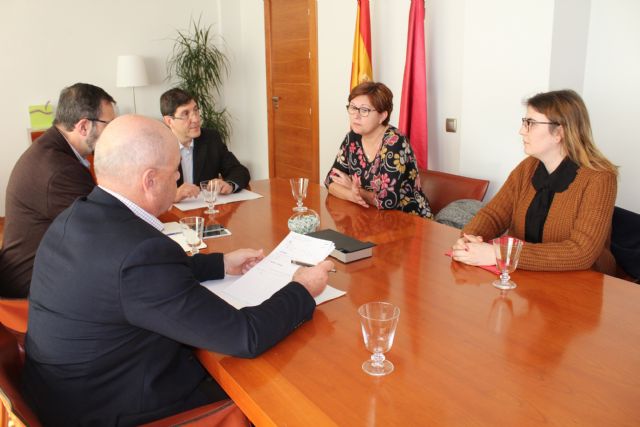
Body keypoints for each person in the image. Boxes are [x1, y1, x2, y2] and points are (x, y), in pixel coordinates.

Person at [22, 115, 334, 426]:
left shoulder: (76, 216)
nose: (178, 180)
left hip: (62, 394)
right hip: (116, 409)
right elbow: (244, 336)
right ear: (150, 180)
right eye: (174, 173)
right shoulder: (139, 254)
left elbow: (128, 278)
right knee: (270, 392)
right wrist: (302, 289)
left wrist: (220, 263)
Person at [452, 89, 618, 273]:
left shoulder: (600, 178)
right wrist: (470, 238)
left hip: (581, 282)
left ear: (559, 132)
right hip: (526, 276)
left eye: (530, 123)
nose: (521, 131)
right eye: (524, 122)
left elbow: (581, 252)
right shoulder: (528, 167)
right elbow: (494, 215)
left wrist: (499, 253)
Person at [0, 83, 116, 298]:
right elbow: (102, 230)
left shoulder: (52, 149)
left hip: (41, 270)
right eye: (109, 125)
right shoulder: (60, 170)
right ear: (83, 126)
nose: (113, 133)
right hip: (32, 289)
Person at [324, 81, 432, 218]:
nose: (356, 116)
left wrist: (355, 189)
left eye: (364, 110)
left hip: (407, 218)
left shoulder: (395, 142)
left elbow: (388, 201)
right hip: (369, 214)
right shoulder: (352, 137)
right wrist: (352, 195)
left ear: (382, 116)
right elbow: (330, 180)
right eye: (353, 108)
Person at [160, 88, 250, 202]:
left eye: (196, 110)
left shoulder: (211, 138)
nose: (196, 119)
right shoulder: (157, 147)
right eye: (185, 114)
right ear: (169, 121)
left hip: (207, 212)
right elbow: (143, 194)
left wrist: (229, 185)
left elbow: (239, 171)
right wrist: (171, 196)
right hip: (170, 215)